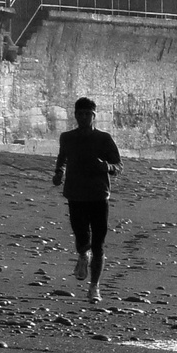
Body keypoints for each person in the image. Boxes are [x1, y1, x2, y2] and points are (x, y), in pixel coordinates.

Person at [52, 97, 121, 303]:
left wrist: (106, 167)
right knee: (82, 238)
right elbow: (62, 157)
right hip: (75, 194)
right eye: (79, 114)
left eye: (87, 114)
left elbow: (118, 165)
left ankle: (94, 288)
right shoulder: (67, 137)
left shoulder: (104, 139)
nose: (83, 117)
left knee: (98, 243)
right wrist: (59, 172)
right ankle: (83, 255)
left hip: (99, 195)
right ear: (75, 115)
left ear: (94, 116)